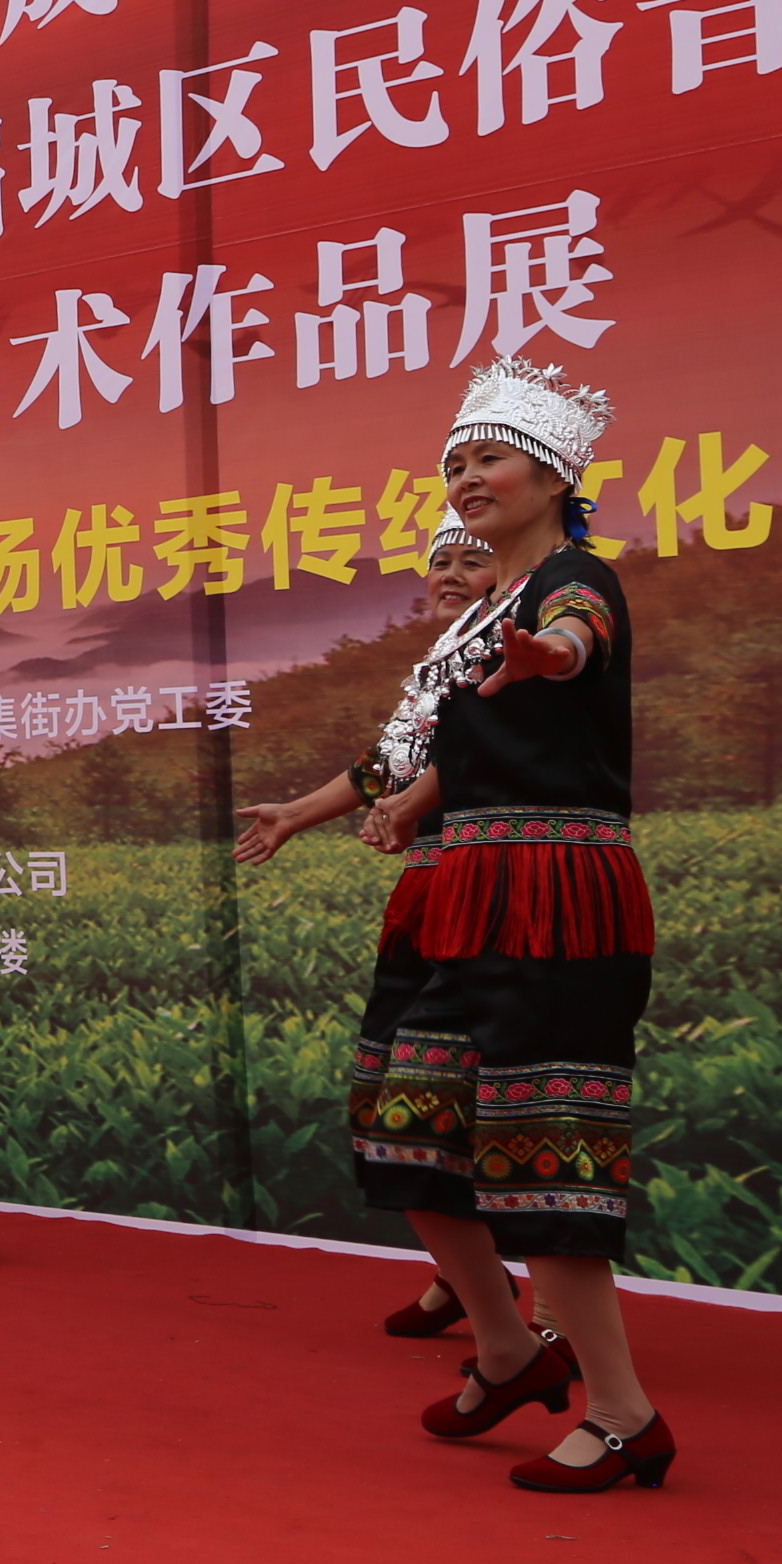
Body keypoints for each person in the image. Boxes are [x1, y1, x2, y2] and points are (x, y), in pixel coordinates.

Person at [348, 357, 672, 1494]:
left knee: (548, 1159)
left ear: (551, 473)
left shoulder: (574, 583)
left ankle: (626, 1410)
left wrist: (554, 655)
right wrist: (394, 801)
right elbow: (459, 747)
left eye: (486, 458)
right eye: (454, 463)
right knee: (408, 1128)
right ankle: (502, 1342)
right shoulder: (484, 611)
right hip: (473, 892)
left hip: (556, 896)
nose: (466, 478)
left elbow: (579, 633)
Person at [235, 518, 534, 1340]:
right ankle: (467, 1282)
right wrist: (295, 814)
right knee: (398, 1098)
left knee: (490, 1104)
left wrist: (411, 802)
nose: (449, 573)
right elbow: (386, 767)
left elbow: (484, 754)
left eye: (471, 559)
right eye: (439, 560)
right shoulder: (441, 665)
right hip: (432, 896)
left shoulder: (523, 642)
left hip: (499, 890)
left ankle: (539, 1320)